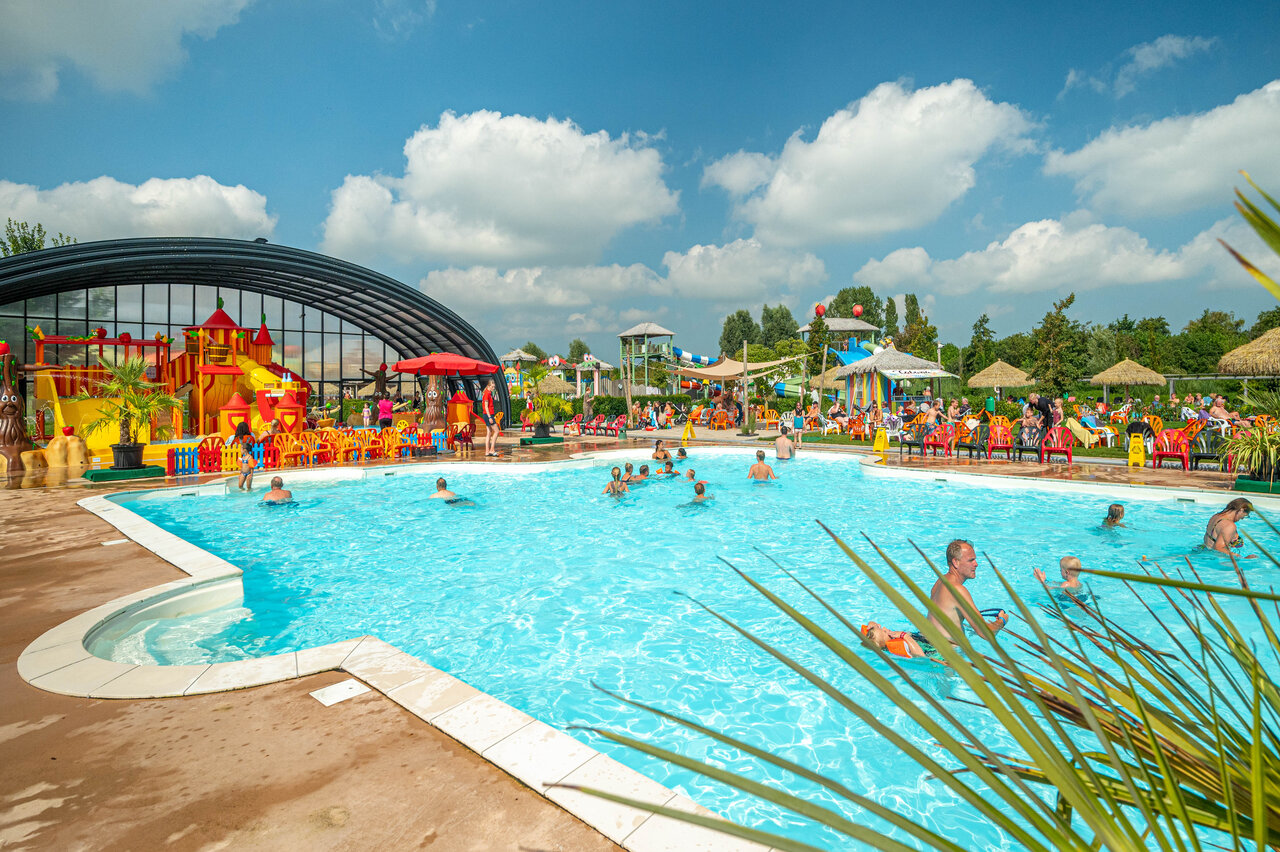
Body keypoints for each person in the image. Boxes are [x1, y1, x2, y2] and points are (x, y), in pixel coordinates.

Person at [927, 540, 1009, 642]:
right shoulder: (958, 590)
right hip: (943, 653)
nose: (976, 564)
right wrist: (1002, 620)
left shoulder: (939, 582)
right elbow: (986, 634)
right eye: (971, 560)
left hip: (926, 642)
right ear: (955, 562)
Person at [860, 622, 930, 659]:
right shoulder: (900, 648)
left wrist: (872, 624)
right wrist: (904, 635)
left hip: (922, 637)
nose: (884, 628)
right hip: (931, 649)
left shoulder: (888, 640)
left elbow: (874, 633)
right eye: (884, 631)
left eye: (880, 628)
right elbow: (921, 657)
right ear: (886, 642)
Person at [231, 423, 256, 491]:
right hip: (244, 464)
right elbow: (253, 445)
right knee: (248, 488)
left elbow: (232, 447)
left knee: (243, 486)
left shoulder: (236, 439)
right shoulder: (250, 438)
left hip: (239, 458)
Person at [481, 379, 500, 457]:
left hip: (486, 415)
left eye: (494, 387)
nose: (493, 388)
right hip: (488, 415)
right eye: (492, 387)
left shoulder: (488, 393)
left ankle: (487, 451)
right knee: (497, 431)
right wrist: (490, 417)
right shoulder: (487, 394)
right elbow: (486, 407)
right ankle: (492, 450)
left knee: (489, 433)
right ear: (488, 386)